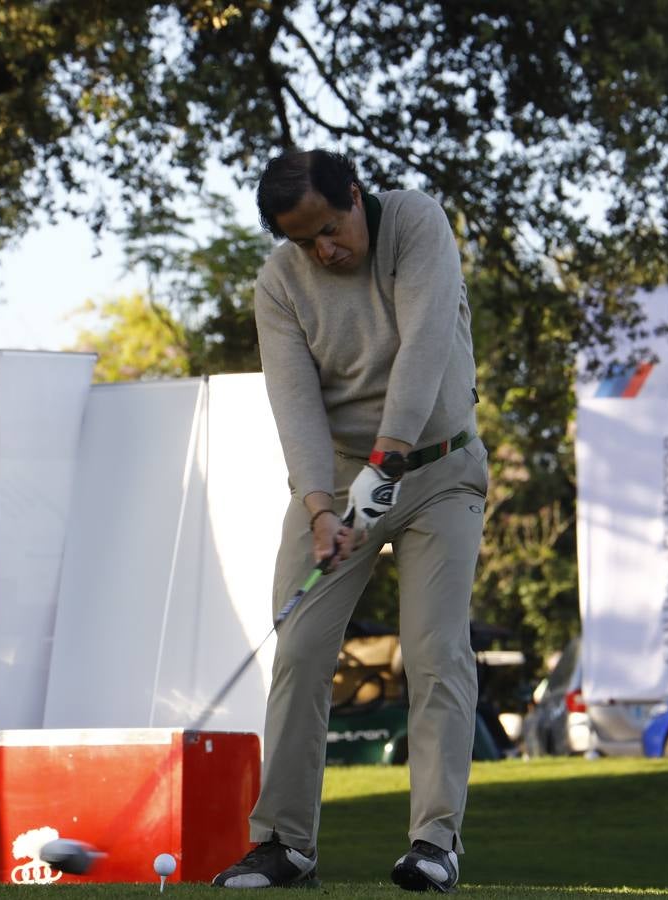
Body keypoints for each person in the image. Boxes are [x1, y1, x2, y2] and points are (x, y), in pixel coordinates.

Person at [212, 148, 487, 892]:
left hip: (437, 467)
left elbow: (425, 348)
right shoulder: (278, 282)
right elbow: (294, 402)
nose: (322, 251)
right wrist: (320, 507)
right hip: (337, 480)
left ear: (355, 196)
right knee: (299, 648)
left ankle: (435, 843)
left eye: (330, 230)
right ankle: (283, 845)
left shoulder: (416, 224)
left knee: (433, 652)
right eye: (303, 241)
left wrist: (386, 463)